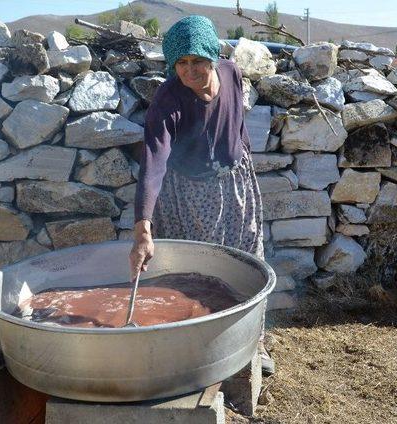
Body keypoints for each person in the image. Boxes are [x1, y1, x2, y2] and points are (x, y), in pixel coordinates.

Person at [129, 15, 273, 374]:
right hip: (191, 194)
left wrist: (242, 153)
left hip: (237, 183)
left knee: (250, 260)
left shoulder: (231, 72)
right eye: (180, 63)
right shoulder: (168, 99)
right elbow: (154, 159)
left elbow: (237, 118)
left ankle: (256, 343)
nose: (189, 71)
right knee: (202, 274)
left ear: (212, 57)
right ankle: (201, 352)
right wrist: (142, 227)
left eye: (196, 61)